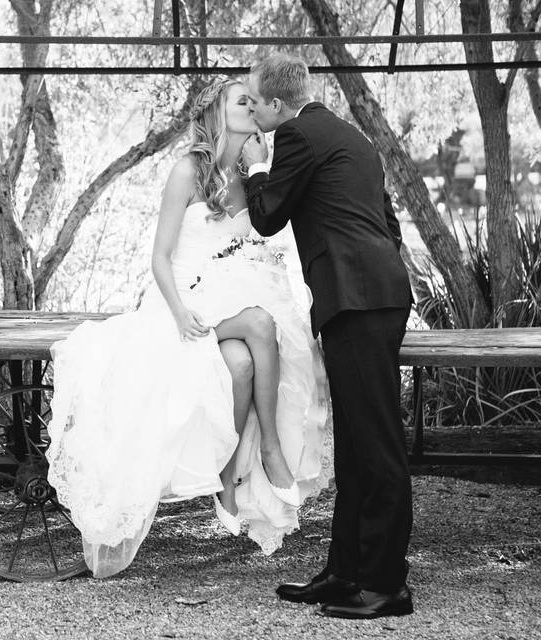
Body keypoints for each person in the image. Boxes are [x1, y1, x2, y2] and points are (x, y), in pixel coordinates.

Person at [45, 78, 331, 579]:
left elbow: (265, 235)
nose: (254, 105)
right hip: (186, 299)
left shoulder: (250, 173)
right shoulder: (187, 171)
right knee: (262, 325)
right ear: (217, 114)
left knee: (241, 363)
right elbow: (159, 257)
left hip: (234, 292)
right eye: (242, 99)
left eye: (253, 99)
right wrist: (178, 312)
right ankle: (269, 451)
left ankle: (225, 471)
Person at [241, 53, 415, 619]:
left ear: (275, 104)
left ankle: (387, 585)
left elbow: (267, 216)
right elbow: (386, 221)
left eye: (255, 100)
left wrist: (252, 166)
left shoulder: (295, 135)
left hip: (359, 300)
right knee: (357, 444)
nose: (253, 110)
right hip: (368, 294)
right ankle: (346, 571)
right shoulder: (351, 135)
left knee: (378, 447)